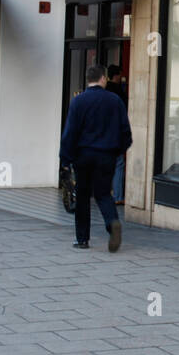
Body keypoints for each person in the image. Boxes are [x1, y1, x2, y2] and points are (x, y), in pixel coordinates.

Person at [60, 64, 132, 252]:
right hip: (106, 155)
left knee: (83, 196)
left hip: (83, 156)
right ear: (103, 79)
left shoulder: (78, 101)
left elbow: (70, 133)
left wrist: (65, 160)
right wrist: (117, 151)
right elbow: (126, 132)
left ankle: (82, 239)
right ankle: (112, 222)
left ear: (88, 79)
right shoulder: (115, 101)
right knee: (102, 193)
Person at [106, 64, 128, 206]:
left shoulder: (103, 89)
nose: (121, 78)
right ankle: (118, 196)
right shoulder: (118, 91)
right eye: (120, 75)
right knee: (119, 163)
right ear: (116, 75)